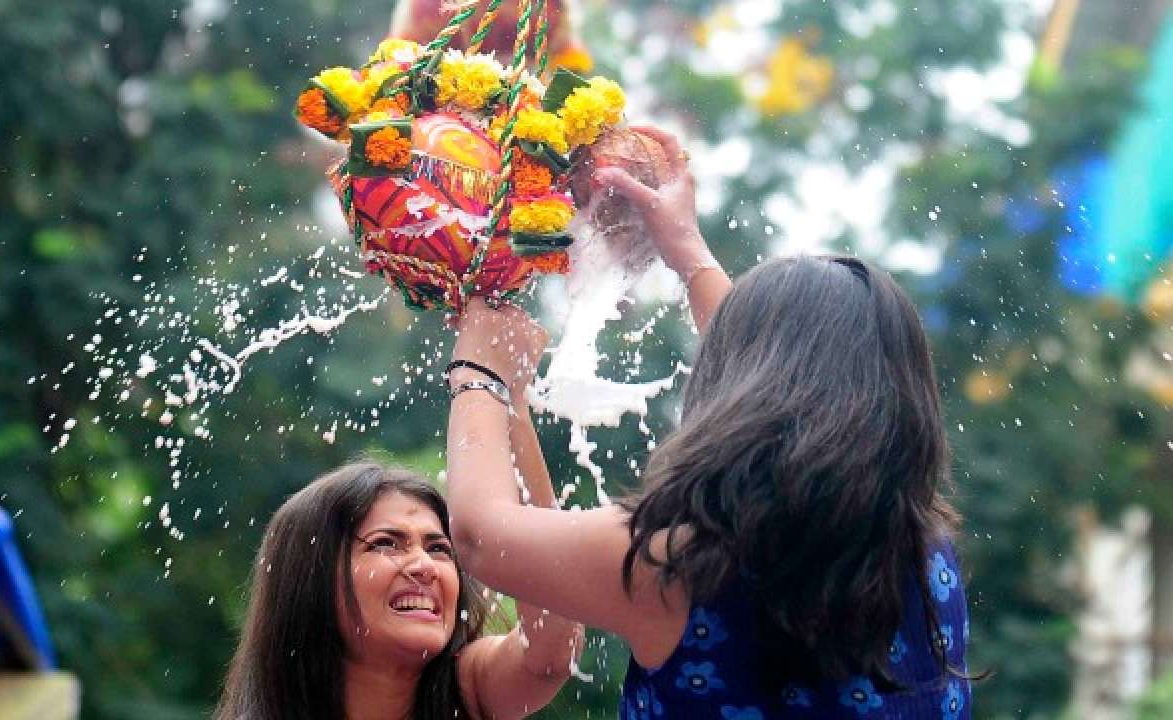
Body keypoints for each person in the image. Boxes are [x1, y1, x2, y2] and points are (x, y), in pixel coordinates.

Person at [444, 126, 974, 717]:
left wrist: (479, 369)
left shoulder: (680, 565)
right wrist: (688, 250)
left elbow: (481, 537)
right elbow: (783, 379)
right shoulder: (924, 553)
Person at [215, 461, 582, 720]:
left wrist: (506, 400)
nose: (425, 566)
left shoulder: (467, 692)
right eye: (386, 544)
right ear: (311, 577)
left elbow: (550, 652)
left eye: (439, 548)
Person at [388, 0, 593, 74]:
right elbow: (397, 62)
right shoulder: (426, 6)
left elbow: (570, 68)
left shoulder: (553, 7)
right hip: (446, 111)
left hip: (528, 115)